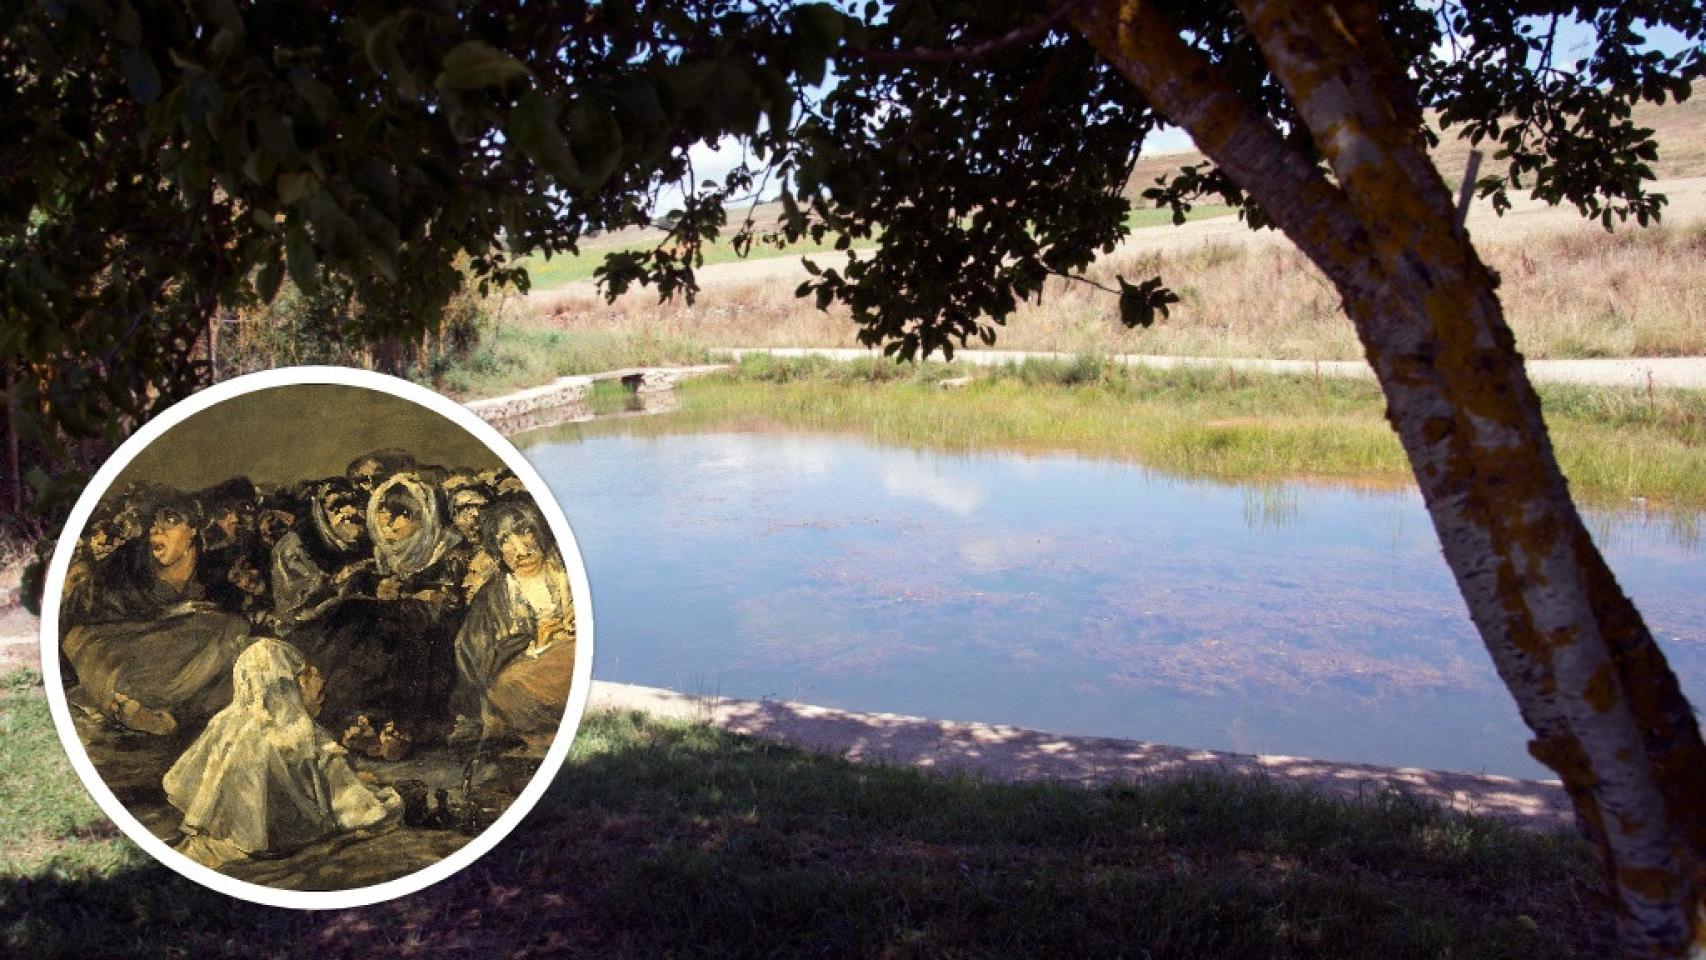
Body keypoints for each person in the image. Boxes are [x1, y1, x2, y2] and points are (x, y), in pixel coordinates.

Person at [164, 637, 402, 869]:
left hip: (238, 832)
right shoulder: (305, 736)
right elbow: (353, 807)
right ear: (286, 682)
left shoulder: (225, 726)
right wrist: (363, 787)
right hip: (287, 837)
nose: (319, 678)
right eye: (307, 674)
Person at [60, 492, 255, 736]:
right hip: (125, 656)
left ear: (193, 529)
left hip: (184, 669)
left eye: (171, 522)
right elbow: (90, 621)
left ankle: (170, 715)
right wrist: (172, 612)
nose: (157, 530)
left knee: (233, 636)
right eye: (154, 523)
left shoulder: (213, 576)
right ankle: (131, 709)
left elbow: (237, 618)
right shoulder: (130, 571)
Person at [453, 500, 575, 754]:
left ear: (540, 533)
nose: (520, 549)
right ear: (497, 550)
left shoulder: (572, 571)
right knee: (510, 685)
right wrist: (534, 642)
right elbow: (475, 656)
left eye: (523, 531)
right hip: (522, 680)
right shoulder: (493, 596)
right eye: (505, 540)